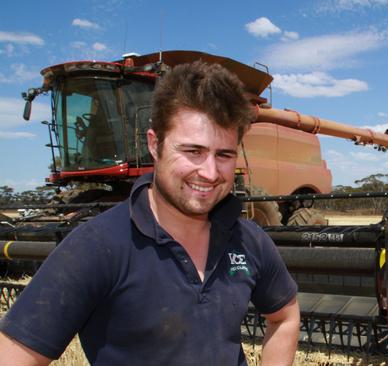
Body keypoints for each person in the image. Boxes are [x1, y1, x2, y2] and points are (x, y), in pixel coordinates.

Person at [0, 61, 300, 365]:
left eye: (224, 154)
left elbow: (285, 317)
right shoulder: (96, 247)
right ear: (154, 145)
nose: (210, 172)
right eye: (193, 151)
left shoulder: (249, 240)